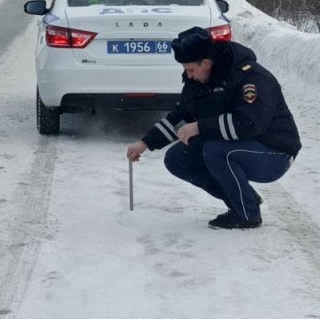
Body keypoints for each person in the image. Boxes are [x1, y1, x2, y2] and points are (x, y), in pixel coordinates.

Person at [125, 26, 301, 229]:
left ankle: (247, 214)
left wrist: (200, 127)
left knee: (215, 150)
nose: (188, 75)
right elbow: (181, 116)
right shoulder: (199, 81)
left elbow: (249, 124)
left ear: (206, 63)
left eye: (190, 69)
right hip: (238, 146)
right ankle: (243, 198)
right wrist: (145, 143)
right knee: (177, 159)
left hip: (274, 153)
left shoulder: (252, 78)